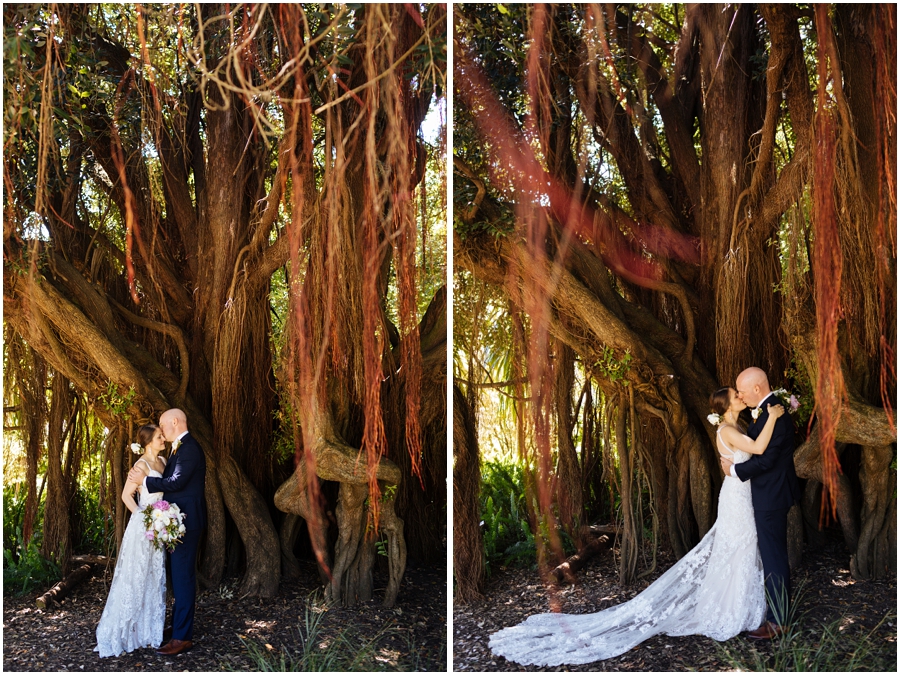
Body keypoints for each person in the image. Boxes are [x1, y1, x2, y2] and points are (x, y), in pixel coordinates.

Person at [488, 387, 785, 666]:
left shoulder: (738, 427)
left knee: (743, 548)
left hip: (743, 495)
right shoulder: (729, 430)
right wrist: (773, 416)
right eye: (736, 394)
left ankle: (741, 606)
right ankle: (729, 609)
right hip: (737, 499)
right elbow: (759, 448)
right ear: (727, 405)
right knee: (736, 547)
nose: (741, 396)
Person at [720, 366, 800, 638]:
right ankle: (773, 613)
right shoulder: (768, 410)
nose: (740, 396)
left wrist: (734, 471)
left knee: (773, 556)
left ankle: (779, 622)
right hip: (766, 493)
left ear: (757, 389)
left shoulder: (774, 412)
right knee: (770, 553)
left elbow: (765, 459)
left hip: (772, 495)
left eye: (742, 390)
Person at [128, 408, 206, 656]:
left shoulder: (189, 448)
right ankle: (179, 628)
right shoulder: (176, 449)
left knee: (183, 579)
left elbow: (177, 483)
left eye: (163, 424)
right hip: (174, 523)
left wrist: (145, 481)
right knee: (178, 577)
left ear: (174, 422)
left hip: (187, 522)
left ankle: (182, 638)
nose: (161, 429)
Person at [95, 425, 167, 657]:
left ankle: (147, 632)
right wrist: (145, 518)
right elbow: (126, 496)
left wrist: (162, 520)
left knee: (153, 576)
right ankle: (122, 630)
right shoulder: (140, 466)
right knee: (134, 577)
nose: (163, 438)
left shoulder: (164, 462)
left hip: (160, 526)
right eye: (159, 436)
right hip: (143, 527)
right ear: (148, 442)